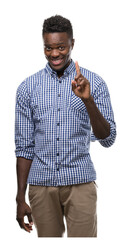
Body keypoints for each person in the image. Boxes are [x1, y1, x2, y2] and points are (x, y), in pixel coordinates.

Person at [15, 15, 116, 237]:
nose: (54, 54)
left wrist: (87, 100)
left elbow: (108, 138)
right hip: (41, 187)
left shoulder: (94, 83)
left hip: (80, 184)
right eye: (48, 48)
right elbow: (24, 147)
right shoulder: (27, 88)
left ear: (72, 44)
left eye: (61, 47)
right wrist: (19, 197)